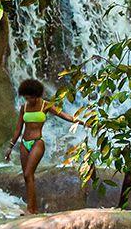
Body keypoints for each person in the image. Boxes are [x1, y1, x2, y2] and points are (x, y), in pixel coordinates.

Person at [9, 77, 81, 214]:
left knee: (28, 173)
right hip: (24, 144)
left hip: (38, 142)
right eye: (26, 97)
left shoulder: (45, 105)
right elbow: (18, 129)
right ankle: (33, 207)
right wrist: (10, 147)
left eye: (30, 97)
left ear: (36, 95)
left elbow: (65, 116)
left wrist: (83, 122)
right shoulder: (23, 108)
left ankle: (31, 209)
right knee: (27, 177)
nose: (27, 100)